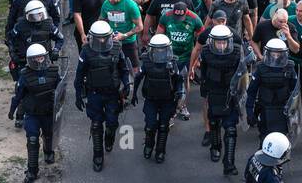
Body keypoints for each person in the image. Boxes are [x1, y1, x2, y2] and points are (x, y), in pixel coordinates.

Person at [73, 20, 132, 172]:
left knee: (112, 123)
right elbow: (79, 74)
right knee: (96, 124)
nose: (100, 40)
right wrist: (78, 95)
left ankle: (109, 138)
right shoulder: (86, 51)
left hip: (112, 93)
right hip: (94, 93)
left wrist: (127, 85)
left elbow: (124, 69)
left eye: (103, 37)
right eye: (97, 37)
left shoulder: (117, 48)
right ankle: (97, 155)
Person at [196, 23, 245, 174]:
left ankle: (229, 163)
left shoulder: (237, 52)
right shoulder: (206, 52)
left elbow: (242, 73)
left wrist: (243, 94)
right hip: (214, 92)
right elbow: (203, 73)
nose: (222, 44)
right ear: (213, 41)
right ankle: (215, 148)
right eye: (219, 42)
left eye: (224, 41)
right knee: (214, 124)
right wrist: (204, 91)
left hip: (230, 94)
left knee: (231, 130)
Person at [9, 43, 62, 183]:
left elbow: (61, 90)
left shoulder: (54, 71)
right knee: (32, 140)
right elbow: (18, 95)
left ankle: (48, 152)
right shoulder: (25, 75)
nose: (39, 61)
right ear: (30, 60)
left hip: (48, 112)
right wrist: (12, 110)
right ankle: (32, 171)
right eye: (36, 58)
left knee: (49, 135)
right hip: (32, 114)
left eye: (41, 58)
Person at [138, 34, 185, 162]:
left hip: (168, 100)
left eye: (162, 50)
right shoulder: (147, 61)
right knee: (150, 125)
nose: (160, 53)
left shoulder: (173, 63)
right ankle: (148, 145)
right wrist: (132, 94)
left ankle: (160, 150)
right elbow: (138, 77)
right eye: (157, 50)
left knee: (164, 126)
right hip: (151, 99)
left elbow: (180, 80)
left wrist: (179, 95)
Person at [246, 37, 297, 142]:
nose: (275, 57)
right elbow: (251, 92)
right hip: (265, 108)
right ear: (267, 53)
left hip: (283, 109)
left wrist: (295, 113)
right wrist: (249, 112)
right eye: (273, 54)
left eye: (278, 55)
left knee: (281, 141)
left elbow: (295, 91)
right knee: (265, 139)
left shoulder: (290, 67)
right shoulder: (261, 68)